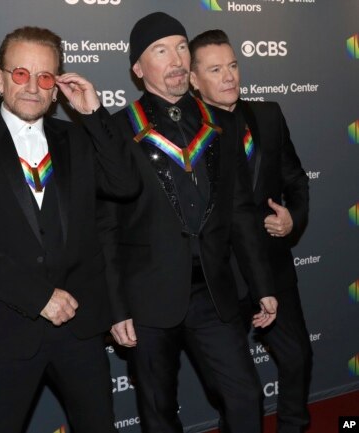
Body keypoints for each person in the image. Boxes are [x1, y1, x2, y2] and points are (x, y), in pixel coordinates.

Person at [0, 26, 139, 433]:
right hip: (3, 333)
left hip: (80, 330)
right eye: (20, 74)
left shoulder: (79, 140)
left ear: (56, 88)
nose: (32, 86)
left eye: (45, 77)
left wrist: (94, 114)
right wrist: (39, 297)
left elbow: (125, 185)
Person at [98, 12, 278, 433]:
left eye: (181, 47)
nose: (177, 59)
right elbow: (105, 228)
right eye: (161, 51)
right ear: (138, 69)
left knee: (245, 396)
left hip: (214, 293)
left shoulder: (224, 124)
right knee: (158, 412)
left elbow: (240, 213)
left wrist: (263, 285)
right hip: (147, 299)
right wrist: (117, 307)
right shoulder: (118, 131)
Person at [189, 29, 312, 433]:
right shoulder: (187, 134)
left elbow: (296, 180)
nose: (229, 77)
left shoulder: (268, 115)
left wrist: (292, 217)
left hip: (272, 265)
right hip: (218, 278)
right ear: (193, 80)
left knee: (295, 358)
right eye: (215, 69)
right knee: (234, 384)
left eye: (233, 66)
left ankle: (293, 425)